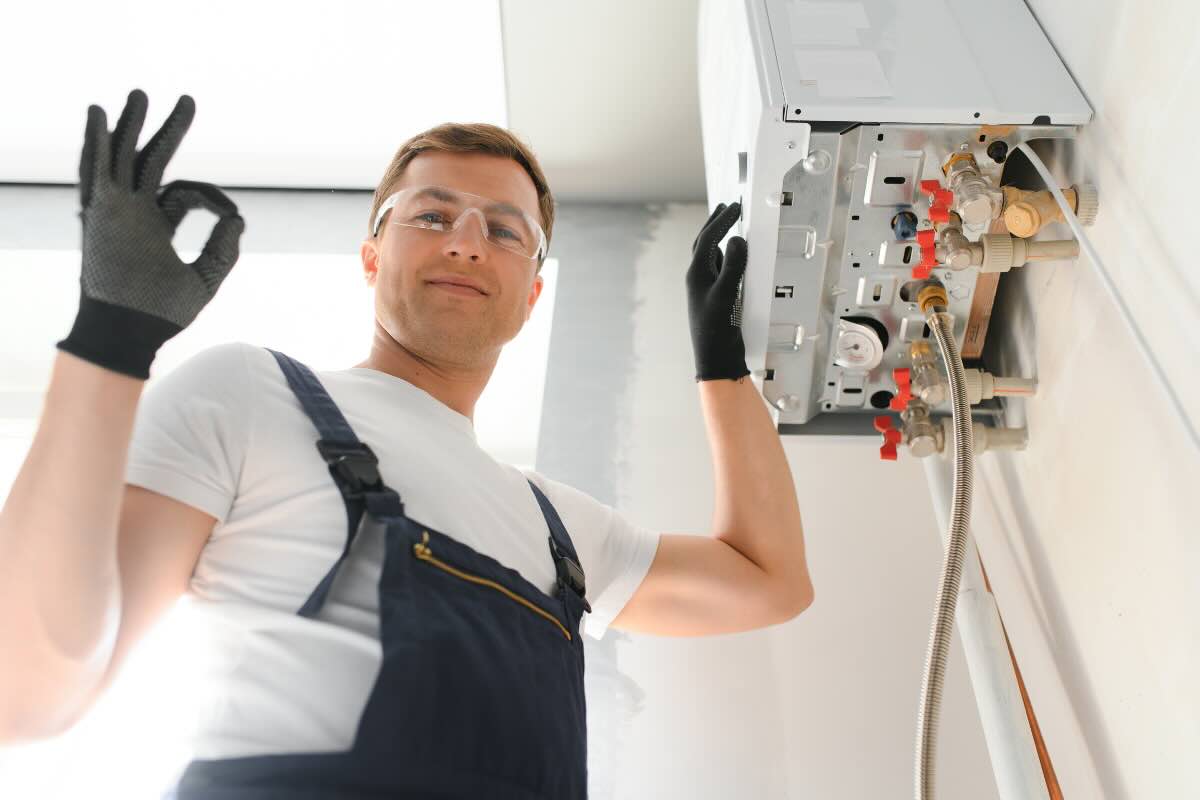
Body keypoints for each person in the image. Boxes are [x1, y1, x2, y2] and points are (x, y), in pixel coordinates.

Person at [0, 89, 813, 798]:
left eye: (505, 230)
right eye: (431, 215)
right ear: (371, 256)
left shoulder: (559, 529)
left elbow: (767, 581)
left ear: (532, 293)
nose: (467, 240)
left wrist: (723, 369)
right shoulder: (247, 394)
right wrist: (109, 338)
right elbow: (27, 692)